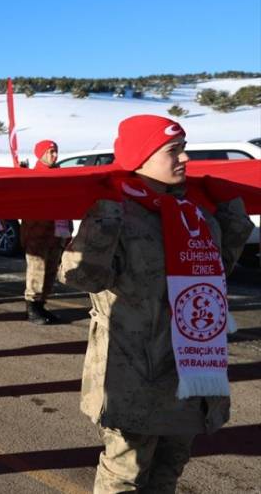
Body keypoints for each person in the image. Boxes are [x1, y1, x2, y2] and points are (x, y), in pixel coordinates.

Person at [59, 115, 252, 494]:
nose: (184, 159)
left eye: (184, 149)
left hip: (191, 370)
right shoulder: (117, 214)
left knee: (169, 470)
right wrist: (105, 219)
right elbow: (81, 277)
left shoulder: (193, 214)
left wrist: (231, 212)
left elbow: (219, 270)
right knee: (125, 474)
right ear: (140, 157)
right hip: (134, 372)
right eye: (173, 151)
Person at [20, 140, 68, 324]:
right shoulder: (33, 177)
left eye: (55, 151)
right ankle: (32, 306)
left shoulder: (59, 175)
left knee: (50, 271)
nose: (54, 155)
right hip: (37, 233)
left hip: (56, 232)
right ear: (40, 154)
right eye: (50, 152)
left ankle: (41, 305)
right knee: (37, 270)